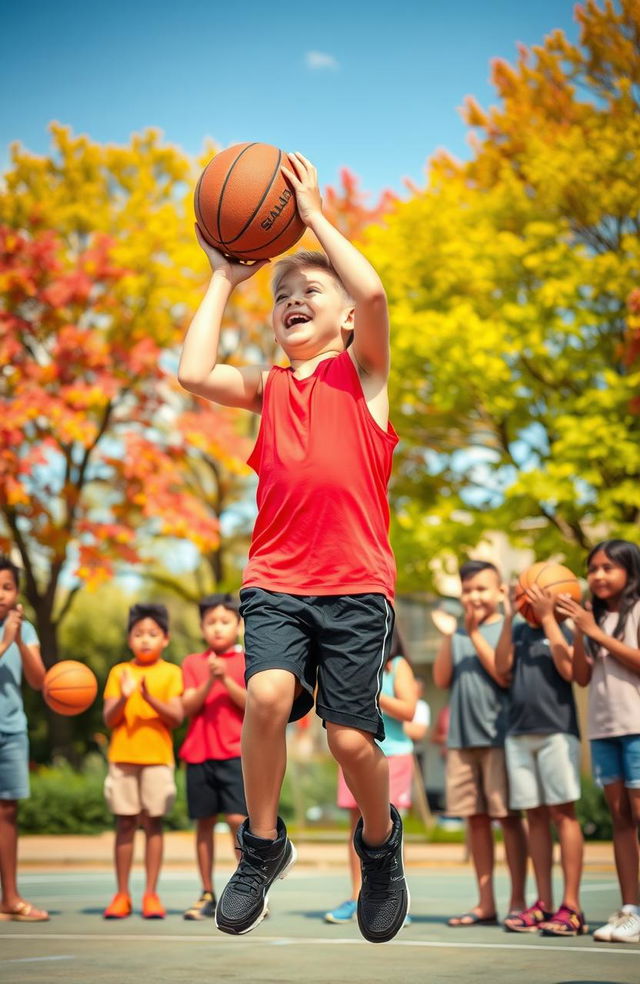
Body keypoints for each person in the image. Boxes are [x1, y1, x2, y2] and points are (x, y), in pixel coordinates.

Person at [178, 152, 407, 943]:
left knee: (349, 738)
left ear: (345, 320)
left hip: (353, 585)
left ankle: (380, 845)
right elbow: (192, 369)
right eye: (282, 295)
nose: (293, 299)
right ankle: (262, 847)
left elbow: (373, 289)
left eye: (311, 291)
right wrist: (224, 278)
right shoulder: (267, 386)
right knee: (268, 697)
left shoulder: (364, 376)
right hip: (276, 580)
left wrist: (312, 220)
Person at [433, 560, 527, 928]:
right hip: (462, 739)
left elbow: (504, 676)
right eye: (468, 590)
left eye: (482, 589)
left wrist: (471, 634)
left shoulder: (512, 627)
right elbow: (442, 678)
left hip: (500, 737)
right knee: (476, 820)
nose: (474, 596)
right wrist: (451, 634)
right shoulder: (458, 632)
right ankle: (485, 903)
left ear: (501, 591)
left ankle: (518, 901)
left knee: (507, 817)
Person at [556, 539, 640, 945]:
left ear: (631, 571)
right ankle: (631, 909)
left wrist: (594, 632)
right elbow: (582, 677)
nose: (599, 575)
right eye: (593, 569)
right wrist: (580, 632)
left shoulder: (637, 610)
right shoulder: (594, 619)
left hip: (637, 728)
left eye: (609, 567)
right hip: (605, 731)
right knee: (620, 820)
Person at [496, 583, 587, 936]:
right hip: (518, 734)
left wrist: (550, 619)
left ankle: (572, 906)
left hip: (556, 731)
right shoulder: (517, 631)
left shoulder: (563, 630)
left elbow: (570, 673)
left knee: (563, 813)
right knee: (534, 815)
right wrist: (507, 616)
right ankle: (545, 903)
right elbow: (501, 669)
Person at [324, 627, 417, 925]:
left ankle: (392, 895)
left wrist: (373, 692)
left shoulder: (398, 666)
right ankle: (357, 896)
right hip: (355, 755)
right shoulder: (349, 663)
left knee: (388, 827)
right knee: (356, 828)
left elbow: (409, 710)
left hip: (393, 756)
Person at [102, 603, 183, 920]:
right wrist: (124, 696)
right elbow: (109, 719)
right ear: (129, 639)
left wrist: (149, 698)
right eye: (138, 634)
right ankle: (122, 894)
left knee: (153, 824)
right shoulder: (119, 672)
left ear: (166, 638)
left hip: (157, 760)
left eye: (152, 634)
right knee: (124, 824)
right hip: (123, 758)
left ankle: (151, 893)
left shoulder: (171, 672)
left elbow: (176, 717)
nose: (145, 640)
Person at [180, 593, 247, 921]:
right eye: (211, 623)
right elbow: (188, 706)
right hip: (199, 755)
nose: (218, 628)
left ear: (238, 624)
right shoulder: (193, 662)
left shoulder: (249, 661)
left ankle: (247, 890)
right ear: (201, 627)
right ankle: (207, 892)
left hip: (235, 755)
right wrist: (211, 678)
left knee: (238, 822)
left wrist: (225, 679)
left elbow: (252, 704)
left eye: (225, 621)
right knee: (203, 824)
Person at [0, 555, 48, 922]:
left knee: (8, 813)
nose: (1, 594)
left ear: (17, 594)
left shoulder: (24, 630)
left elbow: (39, 681)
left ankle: (11, 898)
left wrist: (16, 638)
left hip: (11, 730)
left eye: (7, 587)